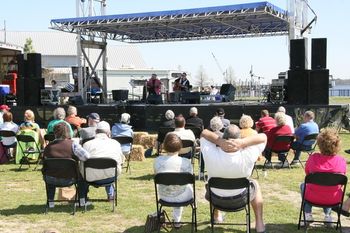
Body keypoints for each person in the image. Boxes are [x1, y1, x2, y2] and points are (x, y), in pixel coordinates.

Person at [200, 126, 267, 233]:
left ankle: (217, 216)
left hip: (216, 198)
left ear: (223, 136)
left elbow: (203, 133)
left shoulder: (210, 152)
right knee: (255, 184)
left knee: (211, 183)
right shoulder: (248, 154)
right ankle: (259, 225)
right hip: (241, 199)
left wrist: (220, 141)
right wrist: (243, 143)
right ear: (239, 138)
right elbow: (263, 137)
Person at [300, 128, 346, 227]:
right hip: (334, 199)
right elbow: (342, 181)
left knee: (303, 185)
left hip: (312, 197)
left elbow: (307, 174)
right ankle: (328, 217)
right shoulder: (341, 160)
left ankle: (307, 214)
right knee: (329, 188)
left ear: (320, 144)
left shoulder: (313, 158)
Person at [43, 122, 90, 208]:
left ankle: (50, 203)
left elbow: (44, 164)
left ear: (55, 133)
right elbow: (86, 156)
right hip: (70, 179)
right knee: (83, 176)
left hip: (50, 179)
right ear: (68, 132)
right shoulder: (73, 144)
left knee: (50, 175)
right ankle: (82, 201)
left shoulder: (48, 147)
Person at [154, 133, 193, 228]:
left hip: (164, 196)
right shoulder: (186, 162)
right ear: (180, 147)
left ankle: (177, 221)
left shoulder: (157, 160)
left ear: (164, 146)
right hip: (182, 196)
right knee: (185, 186)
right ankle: (177, 221)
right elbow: (189, 179)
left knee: (178, 186)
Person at [81, 121, 124, 202]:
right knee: (109, 169)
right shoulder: (116, 144)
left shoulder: (87, 144)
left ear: (96, 131)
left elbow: (82, 161)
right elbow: (121, 161)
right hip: (111, 177)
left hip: (90, 177)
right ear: (109, 132)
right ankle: (111, 195)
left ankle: (83, 197)